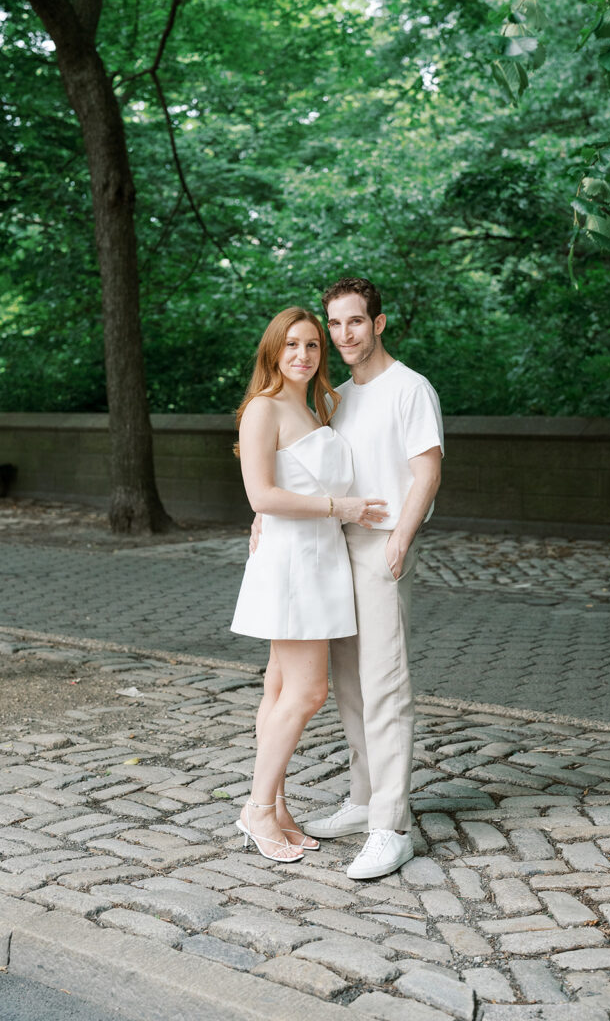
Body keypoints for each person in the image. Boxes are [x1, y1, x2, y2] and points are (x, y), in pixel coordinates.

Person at [230, 306, 388, 863]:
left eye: (313, 346)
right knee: (307, 691)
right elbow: (261, 497)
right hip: (292, 564)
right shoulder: (262, 410)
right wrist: (337, 506)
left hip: (322, 558)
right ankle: (255, 807)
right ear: (273, 351)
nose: (303, 355)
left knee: (278, 688)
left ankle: (273, 805)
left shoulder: (318, 407)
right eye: (292, 345)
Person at [301, 277, 443, 879]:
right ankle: (362, 801)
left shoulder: (410, 388)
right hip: (334, 550)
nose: (343, 335)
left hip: (383, 549)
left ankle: (391, 827)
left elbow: (427, 470)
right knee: (350, 688)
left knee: (386, 686)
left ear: (378, 323)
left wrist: (401, 542)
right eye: (334, 324)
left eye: (353, 321)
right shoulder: (334, 398)